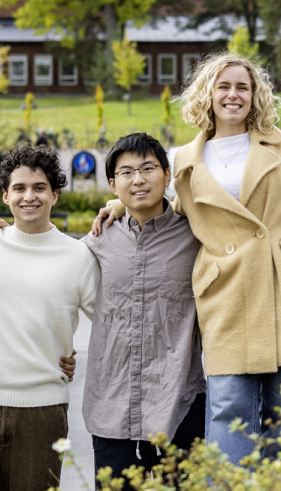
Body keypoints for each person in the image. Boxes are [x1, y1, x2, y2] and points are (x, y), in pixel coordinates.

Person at [95, 53, 281, 465]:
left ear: (255, 95)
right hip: (226, 292)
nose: (233, 95)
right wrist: (120, 204)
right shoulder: (185, 159)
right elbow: (176, 208)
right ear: (208, 94)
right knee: (227, 408)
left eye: (243, 86)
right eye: (224, 86)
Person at [0, 144, 100, 491]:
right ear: (5, 195)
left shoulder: (79, 258)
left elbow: (111, 329)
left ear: (55, 194)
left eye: (39, 187)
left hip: (42, 412)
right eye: (19, 188)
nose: (29, 196)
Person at [82, 133, 207, 476]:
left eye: (148, 168)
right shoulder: (97, 240)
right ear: (112, 183)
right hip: (112, 404)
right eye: (126, 172)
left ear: (167, 176)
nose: (138, 179)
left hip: (179, 401)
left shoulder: (197, 234)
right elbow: (46, 263)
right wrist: (2, 231)